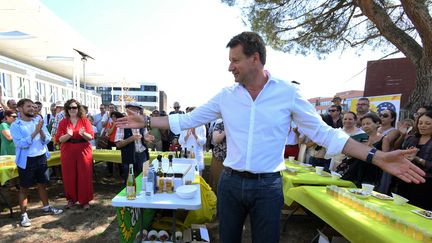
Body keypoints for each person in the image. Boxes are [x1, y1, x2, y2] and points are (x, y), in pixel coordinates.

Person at [116, 31, 425, 243]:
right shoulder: (226, 96)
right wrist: (146, 120)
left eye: (235, 60)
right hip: (231, 184)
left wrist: (376, 156)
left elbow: (325, 134)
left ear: (255, 59)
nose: (229, 66)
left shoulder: (287, 94)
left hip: (268, 187)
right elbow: (187, 119)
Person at [10, 98, 63, 227]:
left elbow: (47, 139)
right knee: (24, 188)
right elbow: (20, 143)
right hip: (26, 160)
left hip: (41, 158)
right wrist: (35, 132)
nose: (32, 109)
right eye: (29, 106)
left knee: (43, 184)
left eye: (34, 107)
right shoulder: (15, 125)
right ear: (20, 108)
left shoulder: (39, 121)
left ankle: (46, 207)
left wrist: (41, 132)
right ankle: (24, 215)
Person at [55, 99, 94, 210]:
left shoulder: (85, 120)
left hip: (84, 150)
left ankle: (85, 200)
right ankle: (71, 199)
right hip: (68, 150)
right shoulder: (63, 122)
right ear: (67, 109)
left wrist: (83, 134)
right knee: (69, 175)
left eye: (74, 107)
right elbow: (60, 139)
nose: (72, 109)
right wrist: (68, 135)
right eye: (70, 107)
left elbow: (90, 137)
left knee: (84, 174)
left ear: (78, 108)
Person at [397, 111, 432, 210]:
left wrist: (416, 158)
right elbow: (398, 153)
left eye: (427, 123)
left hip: (426, 183)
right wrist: (405, 155)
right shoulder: (412, 139)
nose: (423, 126)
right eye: (420, 123)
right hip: (406, 178)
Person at [115, 102, 153, 182]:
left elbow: (145, 138)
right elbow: (118, 144)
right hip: (129, 156)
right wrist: (131, 139)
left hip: (143, 154)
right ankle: (130, 194)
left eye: (137, 111)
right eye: (132, 111)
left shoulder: (142, 124)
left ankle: (143, 193)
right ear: (127, 112)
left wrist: (147, 139)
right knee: (129, 180)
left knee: (145, 178)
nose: (135, 113)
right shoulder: (122, 124)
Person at [178, 107, 207, 172]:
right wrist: (187, 136)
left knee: (198, 178)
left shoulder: (201, 125)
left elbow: (203, 142)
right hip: (186, 156)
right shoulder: (184, 125)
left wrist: (195, 134)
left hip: (197, 156)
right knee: (186, 177)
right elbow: (180, 142)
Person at [208, 119, 226, 194]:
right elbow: (216, 139)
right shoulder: (221, 123)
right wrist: (229, 129)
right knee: (217, 184)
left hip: (235, 162)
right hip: (220, 159)